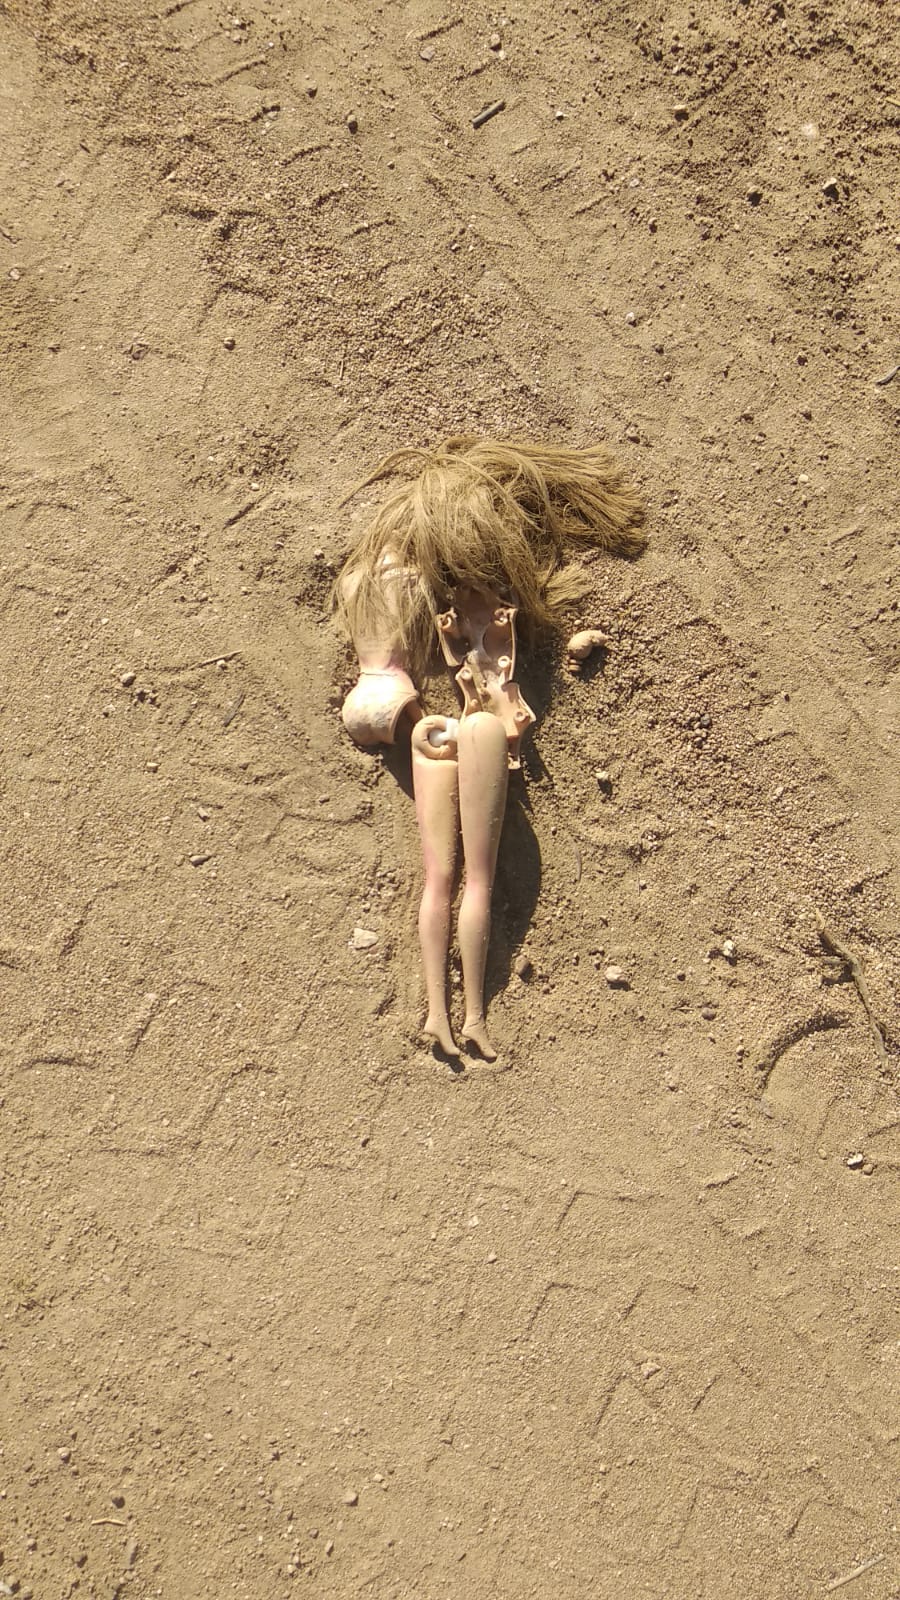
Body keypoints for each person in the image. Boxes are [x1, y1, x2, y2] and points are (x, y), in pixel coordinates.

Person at [334, 436, 646, 1060]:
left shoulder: (369, 583)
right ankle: (470, 1014)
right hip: (469, 730)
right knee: (470, 878)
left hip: (421, 729)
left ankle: (440, 1014)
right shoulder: (455, 611)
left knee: (440, 878)